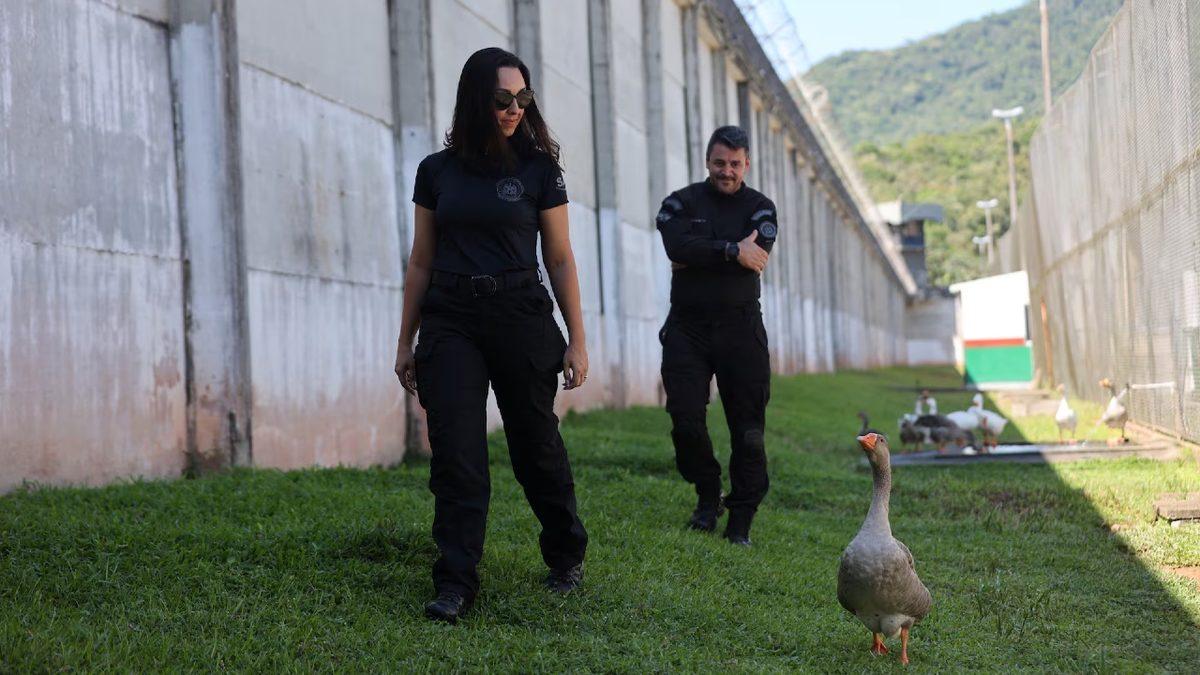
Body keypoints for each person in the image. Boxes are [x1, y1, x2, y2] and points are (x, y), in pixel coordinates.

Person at [394, 47, 589, 624]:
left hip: (520, 314)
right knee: (456, 451)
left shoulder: (537, 170)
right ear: (476, 99)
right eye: (503, 99)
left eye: (523, 98)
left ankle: (565, 553)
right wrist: (406, 341)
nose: (514, 109)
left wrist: (577, 338)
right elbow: (420, 262)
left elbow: (559, 257)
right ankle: (455, 582)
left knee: (535, 444)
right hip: (451, 316)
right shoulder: (436, 171)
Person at [655, 126, 778, 546]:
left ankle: (740, 520)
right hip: (687, 329)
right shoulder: (681, 202)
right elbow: (676, 245)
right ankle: (708, 495)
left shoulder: (761, 207)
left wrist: (700, 250)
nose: (727, 171)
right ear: (707, 161)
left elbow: (757, 252)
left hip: (741, 330)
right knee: (685, 420)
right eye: (720, 162)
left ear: (747, 164)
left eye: (735, 164)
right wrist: (730, 251)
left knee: (748, 432)